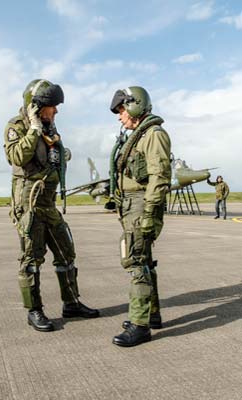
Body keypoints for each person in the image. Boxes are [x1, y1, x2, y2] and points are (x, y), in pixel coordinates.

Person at [4, 79, 99, 332]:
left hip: (49, 203)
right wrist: (34, 130)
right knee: (31, 259)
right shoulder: (18, 126)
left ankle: (71, 303)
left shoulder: (51, 130)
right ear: (36, 107)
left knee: (66, 253)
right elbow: (16, 157)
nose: (55, 111)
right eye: (51, 107)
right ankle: (34, 310)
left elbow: (55, 160)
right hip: (30, 203)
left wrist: (61, 151)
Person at [109, 86, 171, 346]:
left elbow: (159, 177)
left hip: (141, 204)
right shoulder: (138, 135)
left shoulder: (153, 135)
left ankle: (139, 325)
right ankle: (150, 314)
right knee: (144, 259)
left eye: (122, 110)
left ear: (135, 105)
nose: (119, 116)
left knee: (135, 262)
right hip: (131, 204)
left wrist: (148, 212)